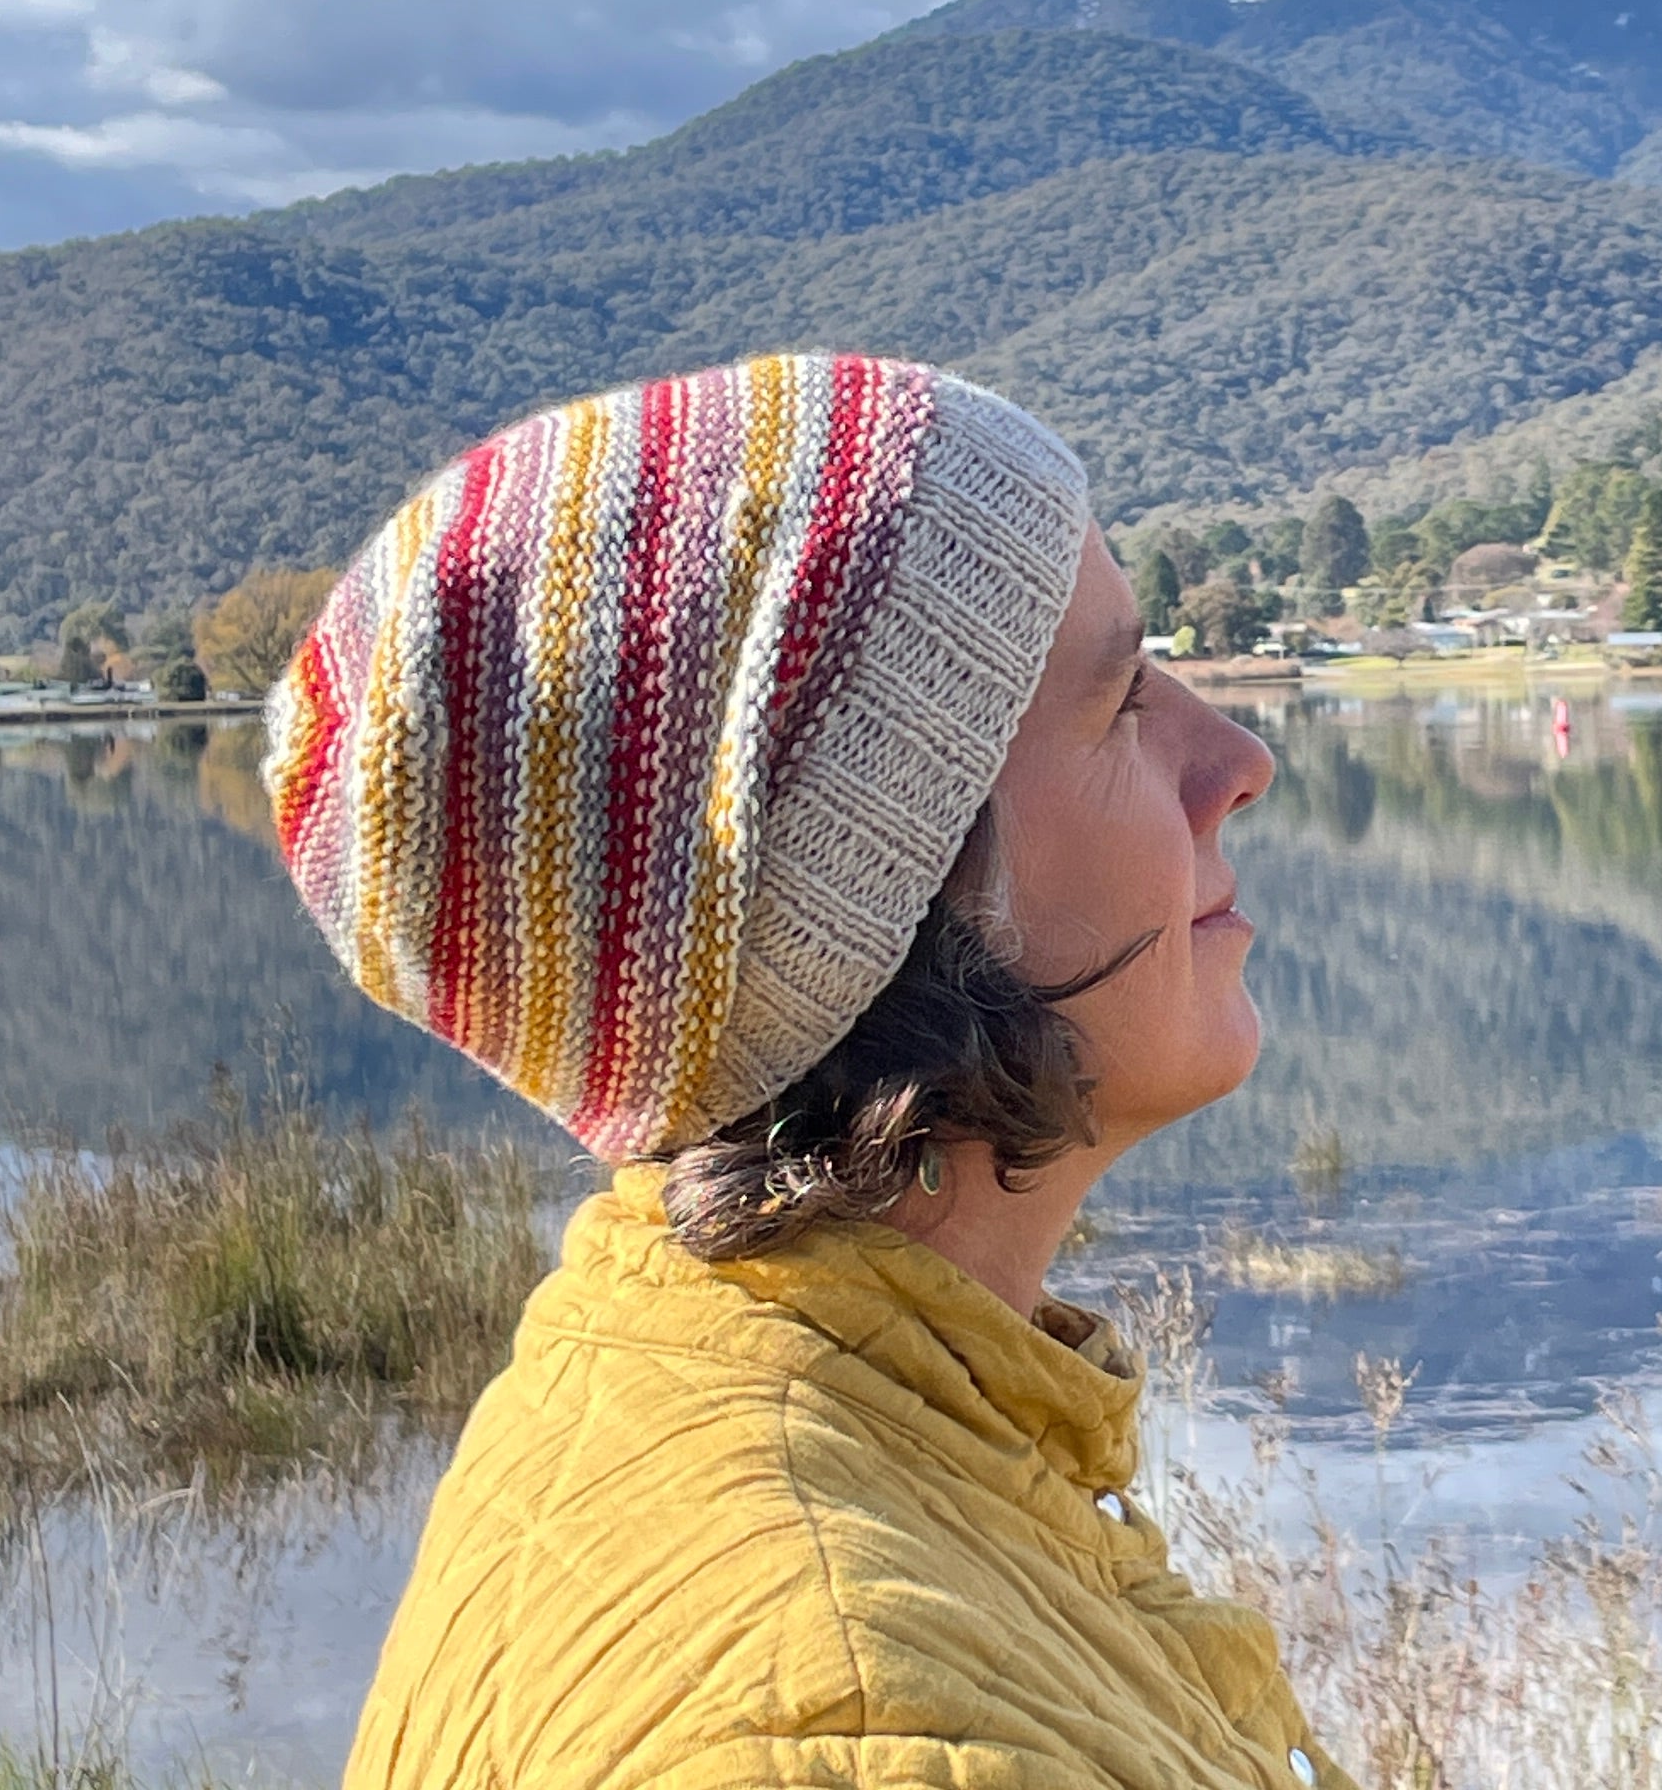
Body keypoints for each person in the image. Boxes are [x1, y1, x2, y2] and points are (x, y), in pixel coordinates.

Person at [267, 351, 1346, 1789]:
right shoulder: (841, 1728)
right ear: (865, 913)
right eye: (1114, 706)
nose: (1236, 758)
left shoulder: (736, 1370)